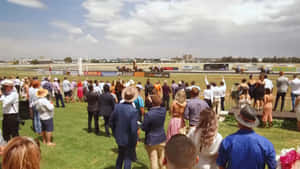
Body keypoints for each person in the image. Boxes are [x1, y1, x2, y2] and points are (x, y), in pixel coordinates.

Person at [110, 86, 138, 169]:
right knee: (127, 159)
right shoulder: (133, 111)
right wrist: (135, 140)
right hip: (129, 139)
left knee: (120, 156)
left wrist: (115, 133)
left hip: (119, 137)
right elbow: (133, 129)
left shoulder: (117, 107)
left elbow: (111, 122)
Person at [141, 95, 167, 169]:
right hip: (162, 138)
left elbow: (144, 128)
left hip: (151, 140)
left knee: (153, 160)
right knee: (162, 160)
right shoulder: (163, 111)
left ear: (151, 103)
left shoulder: (149, 114)